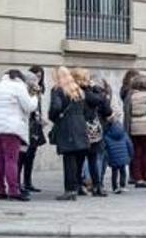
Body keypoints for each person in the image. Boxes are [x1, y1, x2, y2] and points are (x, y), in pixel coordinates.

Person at [0, 69, 37, 201]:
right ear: (20, 78)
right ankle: (13, 191)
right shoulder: (19, 87)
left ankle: (0, 190)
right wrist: (34, 96)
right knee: (11, 159)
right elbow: (29, 106)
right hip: (10, 128)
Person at [48, 66, 89, 201]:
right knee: (79, 158)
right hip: (81, 126)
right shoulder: (78, 90)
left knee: (69, 159)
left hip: (67, 127)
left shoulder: (58, 90)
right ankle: (77, 186)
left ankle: (70, 190)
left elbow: (56, 107)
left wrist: (54, 117)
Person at [73, 68, 112, 197]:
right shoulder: (85, 92)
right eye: (87, 77)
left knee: (83, 159)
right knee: (91, 158)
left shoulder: (75, 91)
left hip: (84, 128)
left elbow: (107, 109)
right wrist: (96, 88)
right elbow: (103, 105)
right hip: (88, 128)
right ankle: (96, 186)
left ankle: (82, 185)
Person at [18, 66, 46, 194]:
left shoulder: (38, 90)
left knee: (31, 155)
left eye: (40, 77)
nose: (38, 80)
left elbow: (37, 108)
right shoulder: (26, 90)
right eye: (36, 77)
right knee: (22, 155)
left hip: (35, 125)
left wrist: (41, 119)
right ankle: (17, 182)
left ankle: (27, 181)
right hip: (27, 125)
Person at [124, 75, 146, 188]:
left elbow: (127, 113)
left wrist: (126, 129)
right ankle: (145, 177)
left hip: (134, 127)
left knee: (136, 153)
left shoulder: (130, 96)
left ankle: (138, 178)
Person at [103, 119, 133, 194]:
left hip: (113, 158)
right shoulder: (124, 134)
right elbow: (130, 145)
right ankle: (122, 185)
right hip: (124, 157)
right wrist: (131, 155)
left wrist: (107, 158)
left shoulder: (106, 136)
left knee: (114, 172)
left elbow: (105, 148)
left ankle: (115, 187)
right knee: (123, 171)